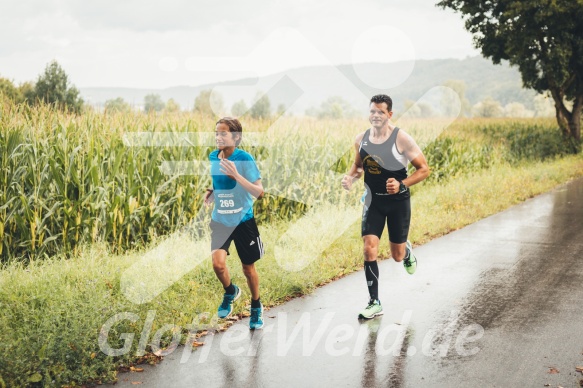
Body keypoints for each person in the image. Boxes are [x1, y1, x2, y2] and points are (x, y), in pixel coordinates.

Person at [341, 95, 429, 319]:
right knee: (369, 247)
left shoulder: (403, 139)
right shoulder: (361, 139)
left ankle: (406, 250)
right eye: (372, 111)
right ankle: (374, 302)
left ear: (390, 114)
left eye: (380, 112)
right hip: (373, 202)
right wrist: (351, 177)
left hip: (398, 203)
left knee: (397, 256)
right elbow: (359, 165)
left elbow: (424, 169)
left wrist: (402, 184)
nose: (375, 115)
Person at [204, 117, 265, 330]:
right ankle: (230, 291)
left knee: (248, 268)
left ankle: (256, 306)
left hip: (243, 221)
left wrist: (237, 175)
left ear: (236, 137)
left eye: (223, 133)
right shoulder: (214, 156)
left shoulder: (245, 159)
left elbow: (259, 192)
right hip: (221, 219)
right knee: (218, 264)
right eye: (216, 133)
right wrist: (212, 191)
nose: (218, 137)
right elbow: (218, 179)